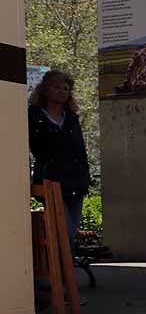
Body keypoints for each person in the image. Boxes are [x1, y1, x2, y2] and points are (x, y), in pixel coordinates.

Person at [28, 70, 91, 255]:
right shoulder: (34, 115)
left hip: (75, 182)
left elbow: (81, 151)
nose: (62, 91)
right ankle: (56, 275)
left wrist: (85, 178)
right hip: (51, 181)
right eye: (57, 87)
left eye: (66, 88)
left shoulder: (71, 118)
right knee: (65, 230)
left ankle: (65, 277)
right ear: (45, 89)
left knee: (68, 234)